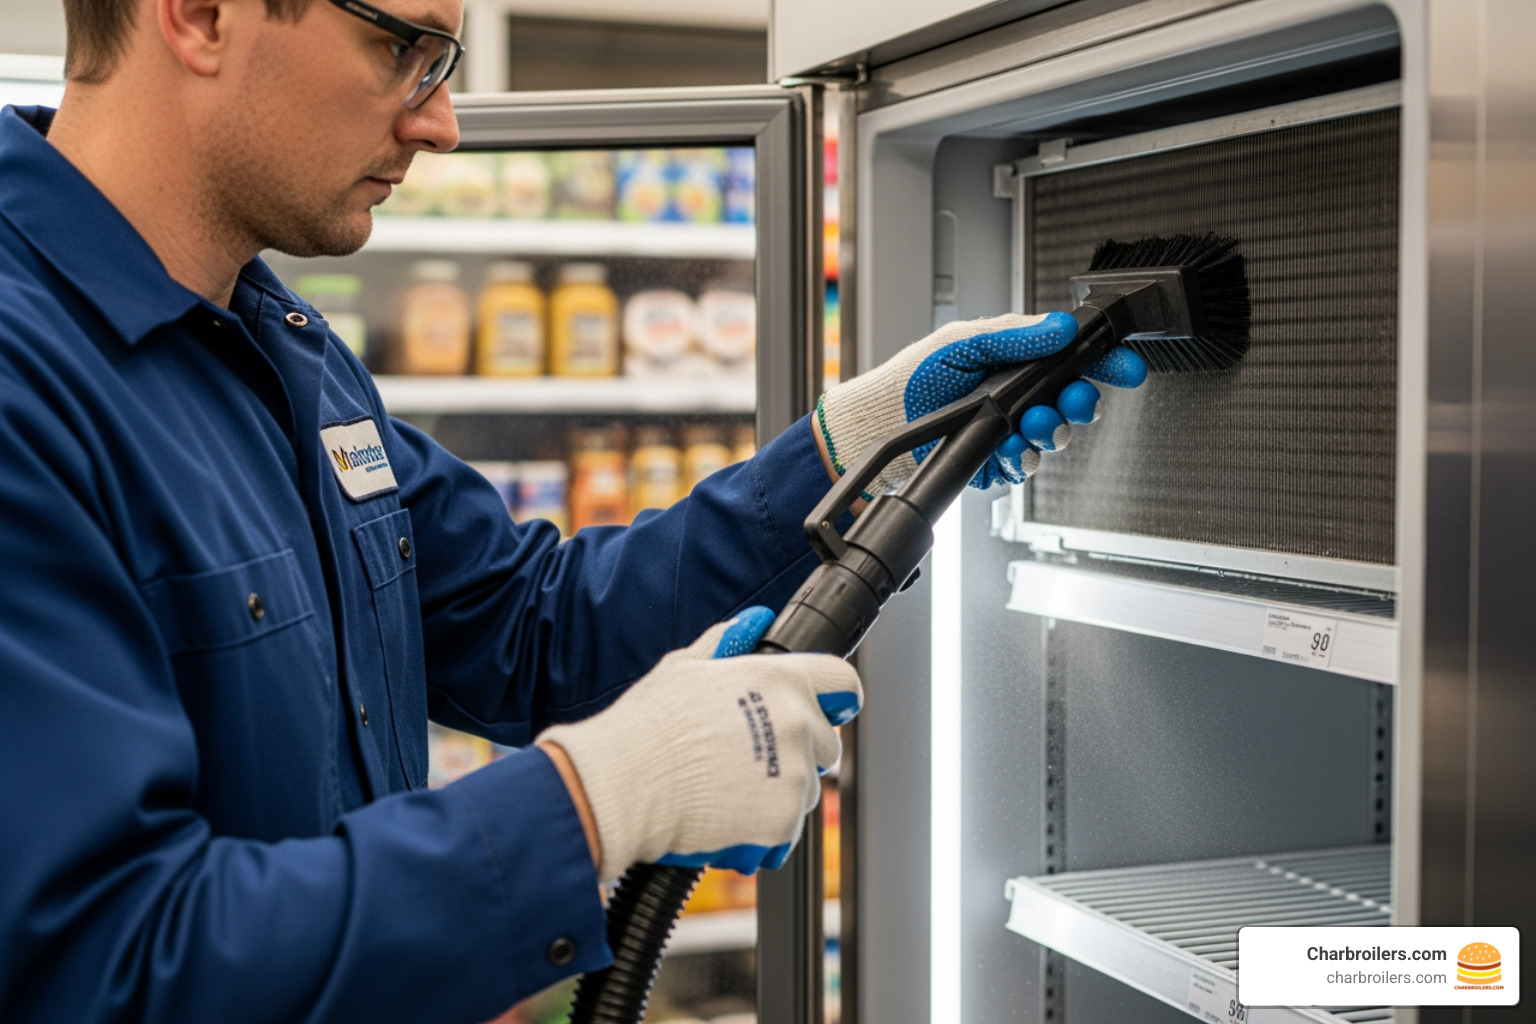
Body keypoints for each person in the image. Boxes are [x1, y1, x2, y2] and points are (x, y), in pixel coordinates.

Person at [0, 0, 1147, 1020]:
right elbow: (101, 960)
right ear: (199, 15)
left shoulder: (273, 339)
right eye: (406, 49)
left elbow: (531, 624)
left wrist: (855, 440)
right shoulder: (23, 383)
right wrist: (599, 799)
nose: (440, 124)